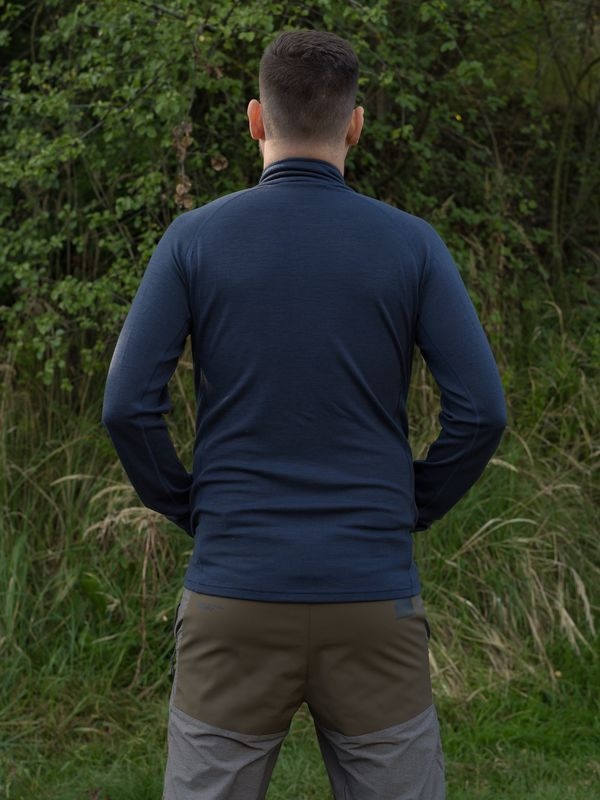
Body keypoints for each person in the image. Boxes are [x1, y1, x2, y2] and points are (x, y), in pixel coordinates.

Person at [101, 27, 507, 800]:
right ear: (356, 125)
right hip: (372, 595)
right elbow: (482, 413)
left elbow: (126, 408)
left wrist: (193, 506)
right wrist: (408, 504)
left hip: (233, 593)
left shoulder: (193, 240)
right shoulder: (413, 246)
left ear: (256, 119)